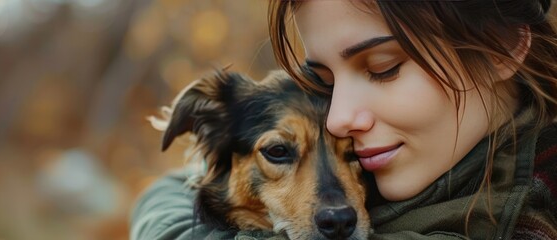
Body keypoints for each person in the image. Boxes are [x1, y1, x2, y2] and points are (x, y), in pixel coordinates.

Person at [131, 0, 557, 239]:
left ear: (500, 49)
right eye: (326, 82)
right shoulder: (414, 163)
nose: (337, 119)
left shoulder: (521, 224)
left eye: (384, 66)